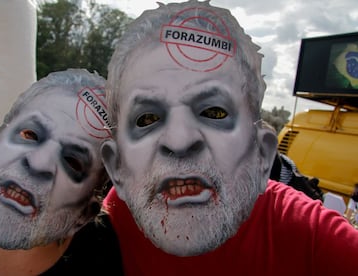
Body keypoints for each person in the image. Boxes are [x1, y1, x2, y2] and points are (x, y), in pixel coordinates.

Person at [100, 1, 358, 275]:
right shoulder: (104, 227)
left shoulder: (309, 234)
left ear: (262, 154)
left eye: (213, 111)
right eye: (148, 119)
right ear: (117, 167)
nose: (179, 141)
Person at [0, 69, 123, 275]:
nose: (39, 163)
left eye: (73, 162)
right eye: (30, 134)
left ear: (84, 214)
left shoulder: (96, 255)